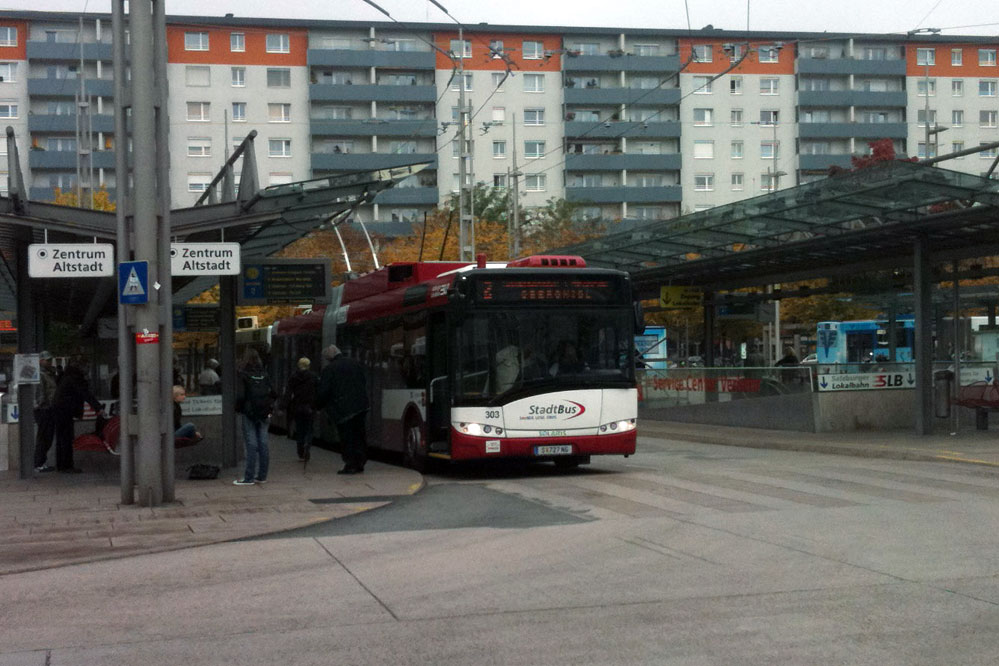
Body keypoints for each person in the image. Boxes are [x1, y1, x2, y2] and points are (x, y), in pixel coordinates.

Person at [316, 344, 369, 475]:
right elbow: (363, 381)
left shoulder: (329, 370)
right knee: (359, 435)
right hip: (361, 406)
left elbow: (324, 392)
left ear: (329, 358)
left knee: (347, 437)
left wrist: (317, 406)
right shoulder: (355, 363)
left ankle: (350, 464)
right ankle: (360, 462)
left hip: (343, 409)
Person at [50, 358, 104, 474]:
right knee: (66, 437)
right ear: (81, 368)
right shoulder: (75, 378)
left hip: (60, 409)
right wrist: (98, 408)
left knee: (61, 438)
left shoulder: (67, 376)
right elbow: (85, 393)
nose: (88, 370)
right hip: (65, 410)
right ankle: (67, 466)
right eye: (87, 367)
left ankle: (61, 465)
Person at [234, 348, 277, 486]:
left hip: (249, 413)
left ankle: (249, 477)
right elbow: (274, 392)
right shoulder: (264, 374)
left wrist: (239, 409)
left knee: (251, 444)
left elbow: (240, 396)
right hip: (264, 413)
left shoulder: (243, 374)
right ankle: (262, 476)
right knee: (263, 443)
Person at [283, 357, 319, 461]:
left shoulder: (293, 377)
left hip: (297, 407)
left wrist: (282, 406)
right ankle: (307, 446)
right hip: (310, 407)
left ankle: (300, 450)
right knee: (309, 429)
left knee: (300, 429)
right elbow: (318, 392)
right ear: (309, 365)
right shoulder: (314, 377)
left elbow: (288, 393)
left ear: (298, 365)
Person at [32, 351, 59, 473]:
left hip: (49, 408)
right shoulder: (40, 374)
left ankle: (41, 462)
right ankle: (38, 463)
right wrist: (40, 404)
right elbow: (41, 393)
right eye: (47, 360)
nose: (49, 362)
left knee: (47, 437)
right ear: (40, 360)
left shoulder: (50, 373)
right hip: (44, 409)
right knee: (43, 437)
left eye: (50, 360)